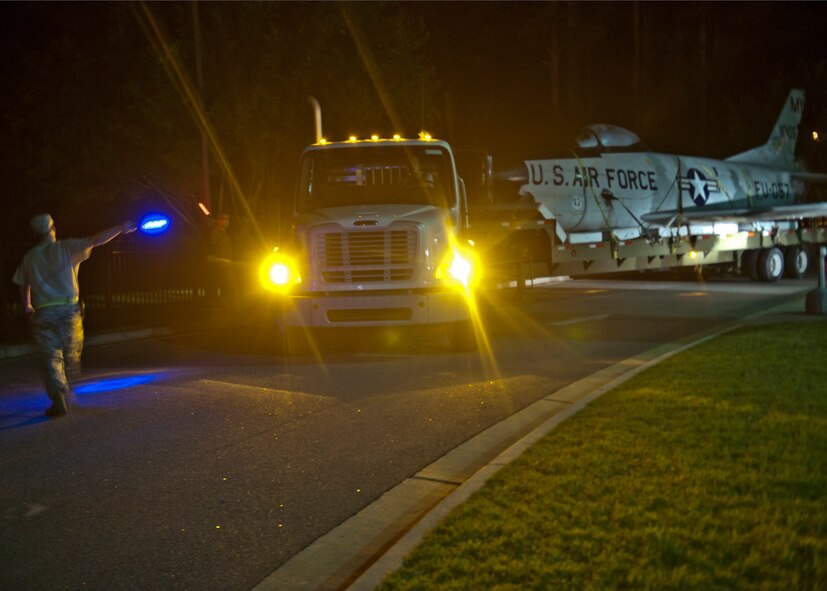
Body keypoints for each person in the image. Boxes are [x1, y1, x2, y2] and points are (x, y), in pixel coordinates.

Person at [11, 214, 136, 418]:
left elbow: (23, 285)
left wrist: (28, 307)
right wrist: (122, 226)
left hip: (43, 311)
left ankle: (58, 393)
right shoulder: (66, 247)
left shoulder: (30, 256)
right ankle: (69, 384)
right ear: (54, 228)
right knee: (71, 353)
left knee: (50, 356)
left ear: (35, 233)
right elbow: (96, 239)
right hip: (68, 309)